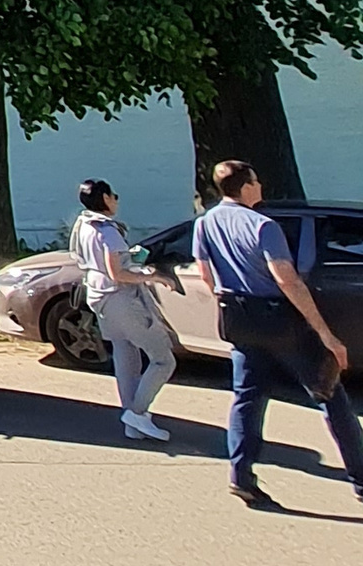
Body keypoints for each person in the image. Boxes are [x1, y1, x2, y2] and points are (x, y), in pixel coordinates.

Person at [192, 158, 362, 508]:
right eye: (256, 181)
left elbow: (206, 275)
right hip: (280, 323)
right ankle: (361, 479)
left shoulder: (205, 224)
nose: (261, 187)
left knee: (246, 398)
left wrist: (230, 302)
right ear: (246, 186)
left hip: (240, 322)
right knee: (330, 395)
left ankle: (241, 476)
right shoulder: (263, 225)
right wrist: (326, 335)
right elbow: (286, 279)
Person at [69, 181, 175, 442]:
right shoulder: (107, 231)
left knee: (125, 354)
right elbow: (118, 273)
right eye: (114, 195)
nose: (116, 200)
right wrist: (152, 277)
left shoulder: (83, 225)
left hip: (99, 297)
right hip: (120, 299)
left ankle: (132, 421)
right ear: (105, 198)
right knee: (163, 359)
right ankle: (137, 413)